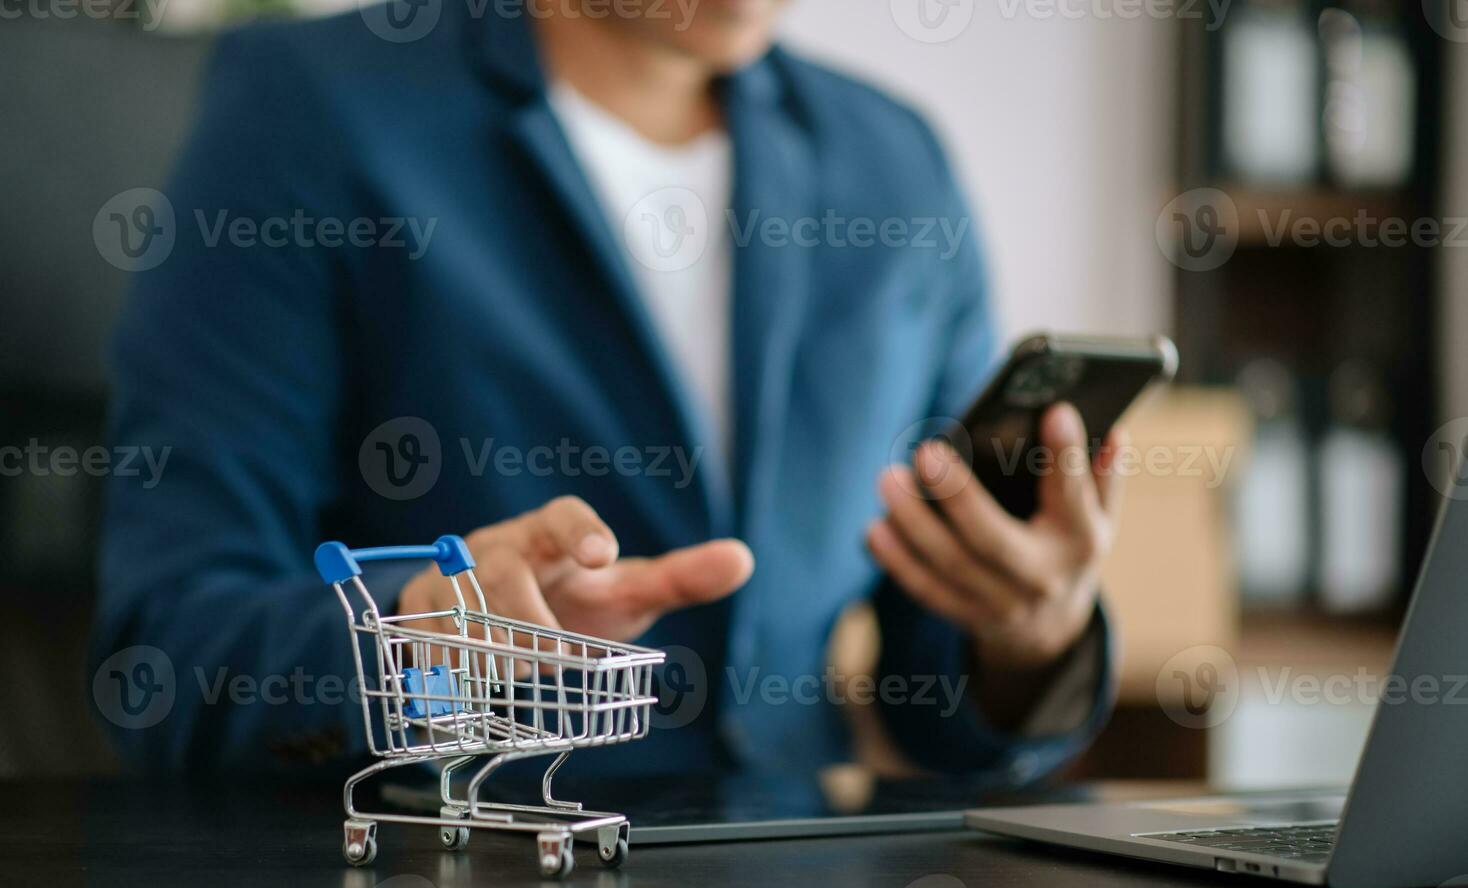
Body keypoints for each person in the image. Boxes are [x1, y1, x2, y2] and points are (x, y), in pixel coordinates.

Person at [96, 0, 1124, 778]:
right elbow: (167, 642)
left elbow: (929, 685)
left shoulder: (893, 164)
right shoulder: (309, 114)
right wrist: (416, 645)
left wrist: (1027, 636)